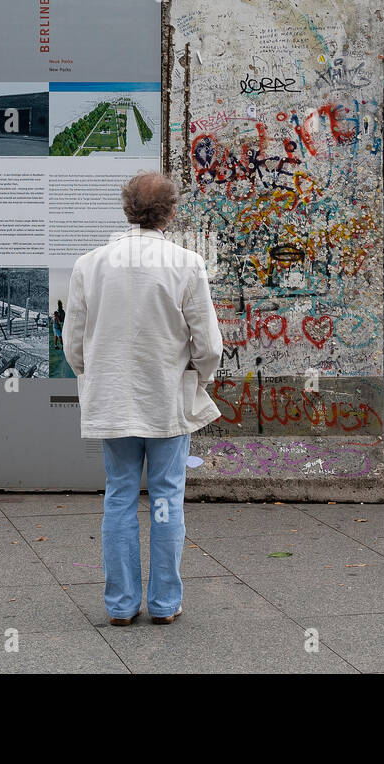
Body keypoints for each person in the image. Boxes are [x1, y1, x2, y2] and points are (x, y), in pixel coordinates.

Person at [62, 171, 222, 626]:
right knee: (168, 496)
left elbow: (74, 344)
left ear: (126, 209)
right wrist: (199, 378)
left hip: (112, 400)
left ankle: (120, 606)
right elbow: (208, 345)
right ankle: (166, 604)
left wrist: (95, 378)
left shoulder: (89, 264)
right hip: (166, 400)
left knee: (119, 494)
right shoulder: (186, 263)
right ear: (171, 212)